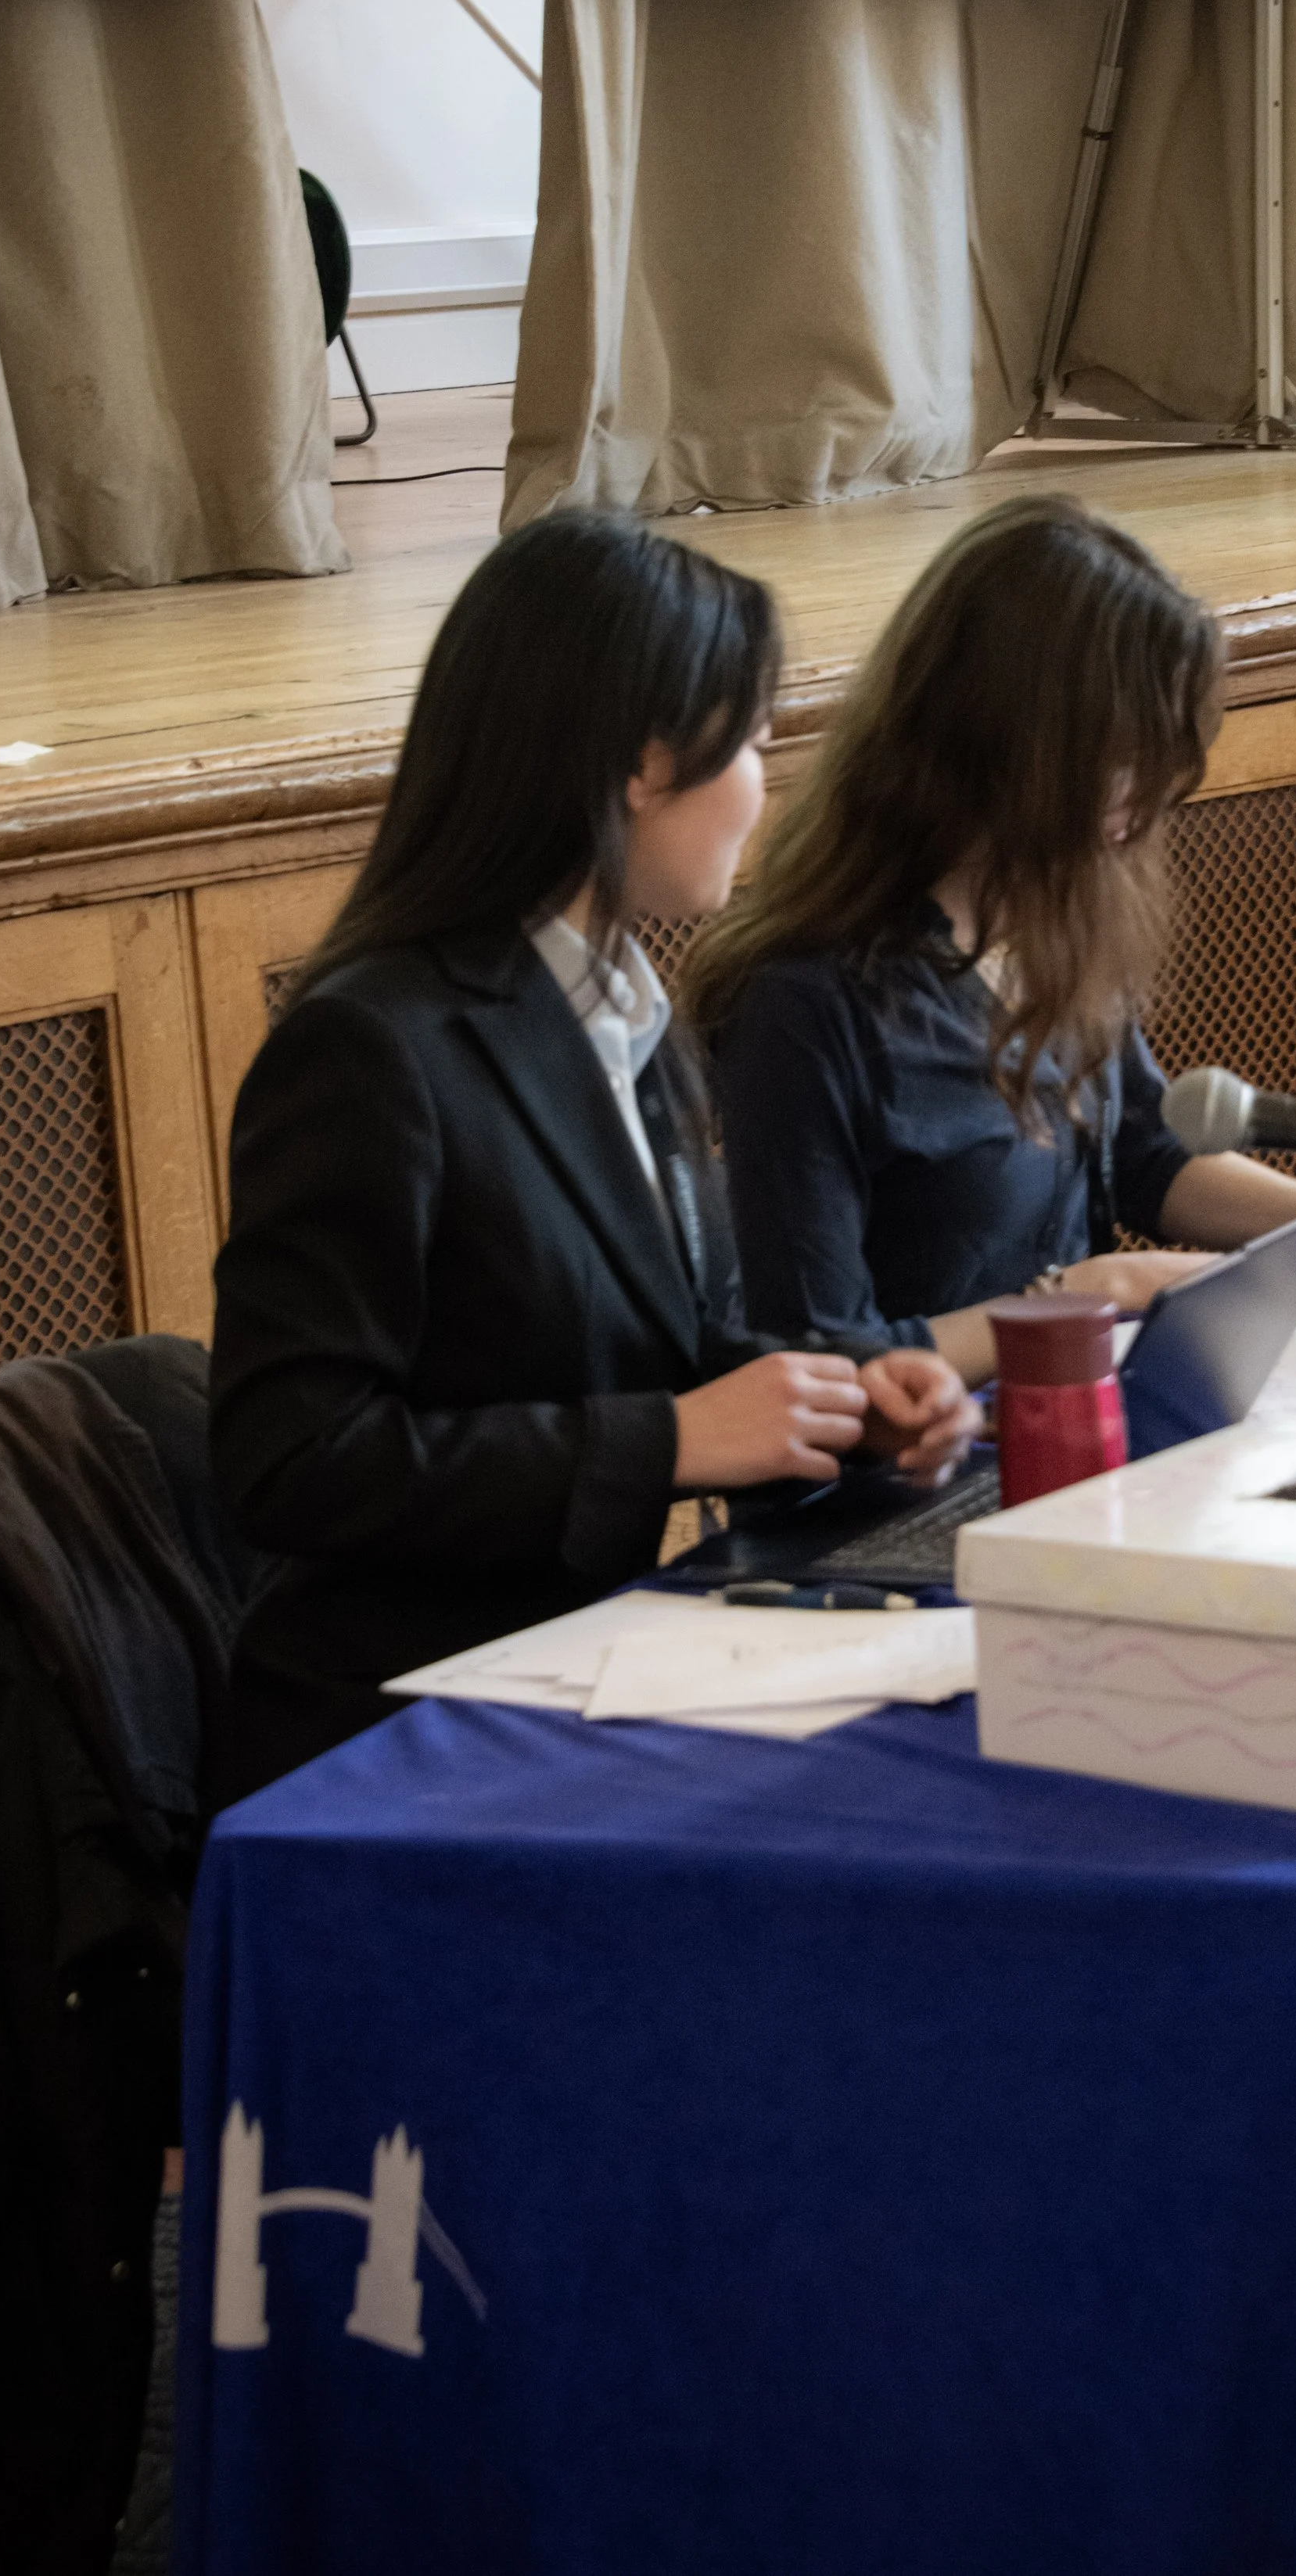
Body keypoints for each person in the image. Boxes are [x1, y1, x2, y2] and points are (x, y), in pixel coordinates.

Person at [210, 513, 975, 1792]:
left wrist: (847, 1405)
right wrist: (669, 1444)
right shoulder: (370, 1047)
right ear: (643, 761)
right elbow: (289, 1460)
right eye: (754, 743)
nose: (765, 787)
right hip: (394, 1734)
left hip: (578, 1668)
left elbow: (660, 1346)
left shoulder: (627, 1007)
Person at [690, 495, 1296, 1383]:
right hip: (912, 1473)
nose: (1151, 800)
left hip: (1077, 1419)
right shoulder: (802, 1001)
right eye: (1124, 757)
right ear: (1014, 745)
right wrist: (1093, 1290)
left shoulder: (1051, 918)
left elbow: (1147, 1155)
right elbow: (819, 1358)